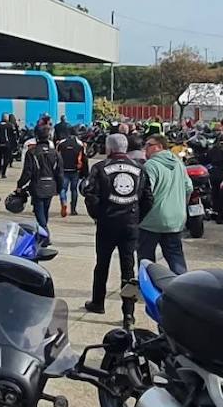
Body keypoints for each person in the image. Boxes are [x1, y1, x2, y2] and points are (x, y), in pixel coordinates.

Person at [83, 133, 144, 320]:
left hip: (107, 224)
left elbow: (91, 195)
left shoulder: (100, 167)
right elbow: (148, 197)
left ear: (109, 148)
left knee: (102, 265)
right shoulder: (140, 168)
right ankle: (128, 313)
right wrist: (137, 218)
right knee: (129, 269)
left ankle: (98, 302)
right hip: (130, 223)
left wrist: (97, 216)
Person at [138, 132, 192, 273]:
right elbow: (189, 188)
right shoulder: (178, 163)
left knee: (146, 260)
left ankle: (150, 290)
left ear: (159, 147)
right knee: (175, 257)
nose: (145, 148)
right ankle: (182, 288)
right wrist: (181, 207)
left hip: (153, 220)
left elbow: (147, 193)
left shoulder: (151, 165)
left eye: (149, 145)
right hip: (176, 219)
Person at [17, 128, 62, 233]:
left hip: (37, 186)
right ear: (49, 138)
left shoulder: (32, 152)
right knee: (44, 212)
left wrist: (20, 185)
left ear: (36, 138)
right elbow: (60, 173)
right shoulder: (55, 153)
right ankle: (42, 235)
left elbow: (27, 172)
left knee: (39, 213)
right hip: (51, 185)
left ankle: (45, 234)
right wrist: (59, 188)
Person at [57, 128, 86, 218]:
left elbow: (57, 156)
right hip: (75, 170)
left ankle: (64, 201)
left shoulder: (61, 143)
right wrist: (85, 172)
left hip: (63, 169)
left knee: (63, 189)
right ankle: (73, 209)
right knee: (74, 190)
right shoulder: (80, 144)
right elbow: (84, 158)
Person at [0, 114, 20, 179]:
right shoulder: (10, 125)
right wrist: (14, 145)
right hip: (7, 145)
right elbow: (14, 136)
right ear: (7, 118)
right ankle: (3, 173)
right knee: (6, 158)